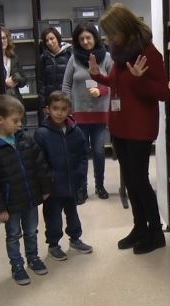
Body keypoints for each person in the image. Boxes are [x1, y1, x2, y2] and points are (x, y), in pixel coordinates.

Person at [89, 4, 169, 255]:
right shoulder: (120, 53)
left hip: (139, 129)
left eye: (111, 33)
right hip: (120, 127)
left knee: (140, 182)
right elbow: (116, 82)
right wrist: (98, 76)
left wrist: (140, 79)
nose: (108, 39)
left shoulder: (148, 53)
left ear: (124, 28)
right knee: (131, 183)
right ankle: (139, 228)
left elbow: (163, 93)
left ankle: (155, 232)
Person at [0, 95, 52, 286]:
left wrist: (45, 188)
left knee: (31, 231)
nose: (19, 125)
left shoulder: (25, 139)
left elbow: (40, 165)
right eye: (15, 121)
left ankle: (33, 258)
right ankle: (17, 265)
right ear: (0, 120)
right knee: (13, 235)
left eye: (21, 120)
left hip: (30, 198)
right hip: (10, 204)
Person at [34, 91, 93, 261]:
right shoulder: (41, 134)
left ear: (69, 110)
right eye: (55, 109)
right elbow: (39, 163)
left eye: (63, 109)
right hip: (52, 188)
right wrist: (46, 184)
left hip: (72, 183)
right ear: (48, 110)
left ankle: (75, 239)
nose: (59, 113)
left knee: (73, 214)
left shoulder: (76, 131)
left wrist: (80, 175)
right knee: (53, 217)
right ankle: (53, 245)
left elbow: (83, 155)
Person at [62, 22, 113, 204]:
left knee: (99, 152)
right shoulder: (73, 59)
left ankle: (100, 186)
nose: (85, 41)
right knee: (80, 153)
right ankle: (81, 189)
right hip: (79, 115)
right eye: (81, 38)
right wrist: (67, 108)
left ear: (95, 38)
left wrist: (102, 91)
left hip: (99, 115)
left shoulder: (106, 57)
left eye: (88, 37)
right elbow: (66, 85)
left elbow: (114, 83)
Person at [38, 27, 71, 117]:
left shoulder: (69, 54)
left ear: (57, 38)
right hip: (51, 101)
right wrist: (44, 104)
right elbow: (41, 83)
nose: (49, 42)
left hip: (67, 99)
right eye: (46, 40)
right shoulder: (43, 58)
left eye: (52, 38)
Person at [0, 27, 28, 120]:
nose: (2, 41)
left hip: (15, 100)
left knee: (18, 129)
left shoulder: (13, 57)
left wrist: (16, 78)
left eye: (4, 38)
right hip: (0, 102)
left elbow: (24, 80)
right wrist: (4, 83)